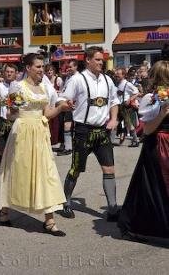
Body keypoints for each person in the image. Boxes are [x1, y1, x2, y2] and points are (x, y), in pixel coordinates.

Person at [0, 53, 71, 236]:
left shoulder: (44, 88)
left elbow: (47, 114)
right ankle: (4, 209)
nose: (41, 70)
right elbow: (10, 114)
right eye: (38, 67)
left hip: (40, 131)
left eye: (42, 67)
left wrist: (61, 108)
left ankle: (50, 220)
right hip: (22, 131)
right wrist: (13, 107)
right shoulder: (18, 86)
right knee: (16, 171)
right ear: (28, 68)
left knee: (46, 173)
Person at [58, 46, 120, 221]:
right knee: (76, 169)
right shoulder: (77, 79)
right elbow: (62, 98)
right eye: (98, 59)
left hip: (102, 132)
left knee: (109, 169)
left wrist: (114, 119)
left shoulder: (108, 80)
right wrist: (66, 103)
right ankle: (66, 202)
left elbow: (114, 101)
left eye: (102, 60)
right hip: (83, 131)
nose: (101, 62)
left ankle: (113, 209)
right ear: (88, 60)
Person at [118, 60, 169, 239]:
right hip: (158, 144)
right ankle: (138, 225)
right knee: (152, 187)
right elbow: (147, 130)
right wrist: (163, 113)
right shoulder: (152, 98)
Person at [0, 64, 17, 164]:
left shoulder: (19, 86)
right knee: (2, 148)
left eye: (11, 72)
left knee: (15, 148)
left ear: (16, 74)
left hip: (15, 121)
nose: (9, 74)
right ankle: (2, 171)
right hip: (2, 121)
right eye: (7, 72)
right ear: (3, 73)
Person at [115, 68, 139, 147]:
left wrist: (130, 99)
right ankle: (115, 141)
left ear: (123, 75)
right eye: (116, 73)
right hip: (120, 106)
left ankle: (135, 141)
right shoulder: (119, 83)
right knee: (117, 122)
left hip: (125, 107)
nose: (116, 75)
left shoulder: (127, 84)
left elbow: (136, 92)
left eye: (118, 74)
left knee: (128, 123)